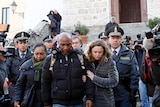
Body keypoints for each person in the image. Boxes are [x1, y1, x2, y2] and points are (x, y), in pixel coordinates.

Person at [41, 32, 94, 107]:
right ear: (58, 44)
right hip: (58, 102)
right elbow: (45, 82)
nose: (65, 48)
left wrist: (90, 97)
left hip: (77, 101)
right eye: (62, 45)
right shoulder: (51, 59)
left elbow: (89, 78)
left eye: (68, 44)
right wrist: (46, 102)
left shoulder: (81, 57)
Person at [107, 26, 139, 107]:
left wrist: (132, 91)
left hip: (124, 91)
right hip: (107, 92)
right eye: (113, 37)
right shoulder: (103, 54)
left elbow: (134, 73)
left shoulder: (129, 53)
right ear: (109, 39)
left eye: (117, 37)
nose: (115, 40)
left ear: (121, 39)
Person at [85, 40, 119, 107]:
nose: (97, 54)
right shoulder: (86, 61)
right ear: (90, 51)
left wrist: (94, 78)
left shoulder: (109, 63)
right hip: (88, 98)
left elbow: (114, 81)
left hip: (105, 99)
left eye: (100, 52)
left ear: (104, 52)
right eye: (95, 52)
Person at [6, 32, 33, 106]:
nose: (23, 45)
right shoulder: (11, 56)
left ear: (28, 44)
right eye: (21, 43)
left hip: (27, 88)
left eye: (25, 42)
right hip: (14, 86)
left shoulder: (32, 56)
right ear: (17, 44)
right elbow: (6, 69)